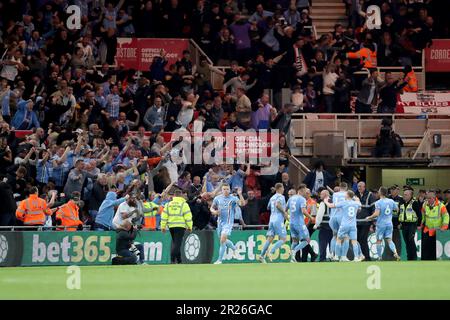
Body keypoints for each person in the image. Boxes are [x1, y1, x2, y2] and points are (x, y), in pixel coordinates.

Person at [324, 190, 364, 262]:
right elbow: (360, 207)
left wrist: (326, 201)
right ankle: (356, 257)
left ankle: (336, 256)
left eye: (346, 194)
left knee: (338, 239)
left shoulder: (343, 203)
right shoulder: (356, 203)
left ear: (348, 195)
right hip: (353, 225)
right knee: (354, 241)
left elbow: (331, 206)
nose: (344, 195)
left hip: (344, 224)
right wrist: (357, 200)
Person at [210, 184, 244, 264]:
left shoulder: (233, 198)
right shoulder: (217, 198)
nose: (226, 191)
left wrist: (240, 194)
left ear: (229, 190)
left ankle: (219, 260)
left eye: (227, 189)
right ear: (221, 190)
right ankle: (234, 248)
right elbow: (211, 208)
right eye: (224, 189)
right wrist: (214, 212)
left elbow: (242, 204)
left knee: (222, 240)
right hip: (220, 222)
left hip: (228, 223)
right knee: (222, 240)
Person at [366, 187, 401, 261]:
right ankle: (396, 253)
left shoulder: (378, 202)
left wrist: (369, 217)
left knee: (379, 240)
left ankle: (379, 257)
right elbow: (397, 209)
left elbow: (376, 214)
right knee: (389, 240)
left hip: (381, 224)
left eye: (379, 191)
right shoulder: (391, 201)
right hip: (389, 223)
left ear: (381, 193)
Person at [161, 189, 193, 264]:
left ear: (174, 195)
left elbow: (164, 216)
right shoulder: (184, 204)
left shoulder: (168, 204)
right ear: (181, 195)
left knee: (176, 243)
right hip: (180, 226)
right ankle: (172, 259)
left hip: (171, 226)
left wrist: (163, 226)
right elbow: (188, 216)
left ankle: (179, 260)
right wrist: (189, 226)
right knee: (177, 244)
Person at [259, 183, 288, 263]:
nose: (283, 190)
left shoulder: (272, 197)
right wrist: (284, 212)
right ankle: (271, 252)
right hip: (278, 219)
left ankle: (261, 256)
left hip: (271, 220)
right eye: (282, 188)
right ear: (279, 188)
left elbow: (268, 207)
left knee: (270, 238)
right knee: (283, 239)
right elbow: (278, 205)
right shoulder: (281, 197)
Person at [286, 185, 313, 262]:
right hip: (299, 223)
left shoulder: (291, 198)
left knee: (295, 241)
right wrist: (311, 217)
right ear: (301, 190)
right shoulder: (302, 199)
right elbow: (303, 211)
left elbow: (285, 209)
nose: (306, 192)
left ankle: (292, 258)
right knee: (306, 240)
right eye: (305, 191)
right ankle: (294, 252)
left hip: (291, 223)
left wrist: (287, 218)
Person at [420, 190, 449, 260]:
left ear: (434, 198)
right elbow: (422, 216)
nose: (428, 200)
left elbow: (446, 216)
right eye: (427, 198)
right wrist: (420, 225)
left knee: (434, 250)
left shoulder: (441, 206)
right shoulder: (424, 204)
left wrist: (444, 227)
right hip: (427, 230)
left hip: (437, 232)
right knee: (425, 249)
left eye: (430, 198)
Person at [355, 181, 376, 261]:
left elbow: (373, 208)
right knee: (357, 240)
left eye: (360, 186)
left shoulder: (370, 195)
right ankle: (361, 257)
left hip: (366, 222)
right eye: (358, 186)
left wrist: (372, 222)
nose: (359, 188)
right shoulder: (355, 195)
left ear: (364, 187)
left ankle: (367, 257)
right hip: (356, 222)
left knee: (363, 240)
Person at [398, 188, 421, 260]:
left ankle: (414, 257)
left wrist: (418, 225)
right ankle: (409, 258)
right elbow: (400, 213)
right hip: (404, 226)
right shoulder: (401, 203)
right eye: (404, 194)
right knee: (407, 242)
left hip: (412, 225)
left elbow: (419, 215)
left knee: (411, 241)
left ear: (410, 195)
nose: (404, 196)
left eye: (406, 195)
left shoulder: (414, 203)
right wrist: (400, 223)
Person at [329, 182, 348, 259]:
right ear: (346, 187)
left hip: (333, 217)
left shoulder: (335, 194)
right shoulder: (347, 194)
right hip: (342, 217)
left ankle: (332, 254)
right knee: (345, 237)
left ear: (339, 187)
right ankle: (343, 256)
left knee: (334, 235)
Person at [313, 189, 333, 262]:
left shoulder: (323, 203)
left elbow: (319, 216)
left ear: (325, 195)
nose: (320, 195)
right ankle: (333, 257)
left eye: (321, 194)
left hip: (324, 226)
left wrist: (316, 224)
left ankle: (322, 258)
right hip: (333, 226)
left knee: (322, 243)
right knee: (332, 243)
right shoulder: (333, 201)